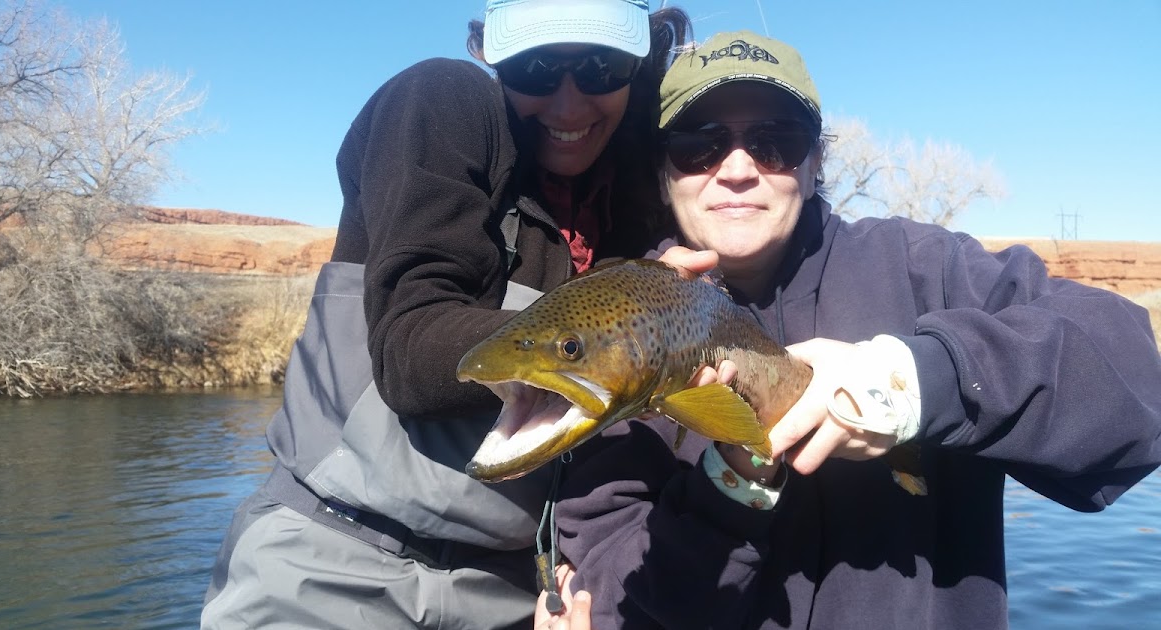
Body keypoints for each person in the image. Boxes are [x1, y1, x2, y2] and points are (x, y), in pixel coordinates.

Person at [542, 30, 1161, 630]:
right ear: (662, 170)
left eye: (775, 140)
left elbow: (1137, 386)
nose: (735, 168)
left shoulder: (926, 269)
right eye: (698, 144)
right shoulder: (615, 321)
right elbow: (620, 597)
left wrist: (909, 385)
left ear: (817, 160)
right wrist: (733, 483)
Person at [200, 2, 695, 628]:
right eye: (537, 67)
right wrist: (618, 336)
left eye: (602, 68)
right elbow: (410, 354)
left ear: (638, 63)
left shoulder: (647, 185)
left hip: (519, 591)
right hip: (331, 566)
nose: (569, 105)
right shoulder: (443, 103)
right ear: (493, 56)